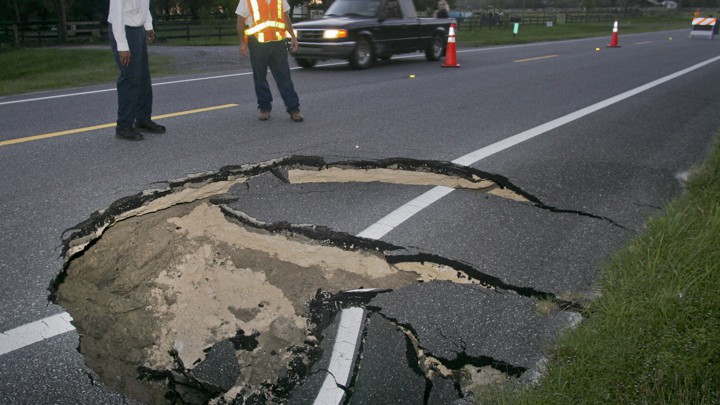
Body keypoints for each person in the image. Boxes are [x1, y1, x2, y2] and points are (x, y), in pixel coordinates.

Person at [236, 0, 303, 122]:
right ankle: (264, 108)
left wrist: (292, 36)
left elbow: (285, 16)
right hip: (257, 44)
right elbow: (240, 20)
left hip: (278, 43)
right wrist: (242, 43)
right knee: (260, 77)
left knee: (284, 77)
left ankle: (294, 109)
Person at [108, 0, 166, 141]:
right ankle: (124, 126)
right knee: (130, 78)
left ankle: (143, 119)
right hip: (124, 30)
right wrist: (122, 45)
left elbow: (144, 7)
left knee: (143, 78)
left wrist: (148, 26)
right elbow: (116, 16)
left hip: (138, 30)